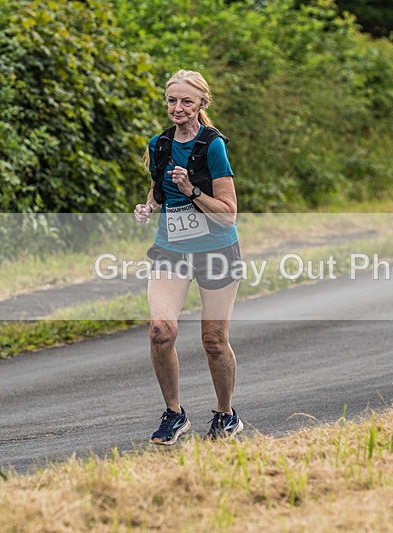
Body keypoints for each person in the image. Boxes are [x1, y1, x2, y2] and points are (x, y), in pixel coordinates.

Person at [134, 70, 244, 443]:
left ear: (201, 104)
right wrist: (148, 207)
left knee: (213, 340)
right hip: (172, 249)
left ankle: (226, 414)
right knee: (160, 331)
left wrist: (191, 190)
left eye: (186, 101)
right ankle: (174, 414)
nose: (177, 108)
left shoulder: (213, 146)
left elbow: (228, 212)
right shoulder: (159, 143)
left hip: (217, 248)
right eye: (171, 100)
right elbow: (157, 187)